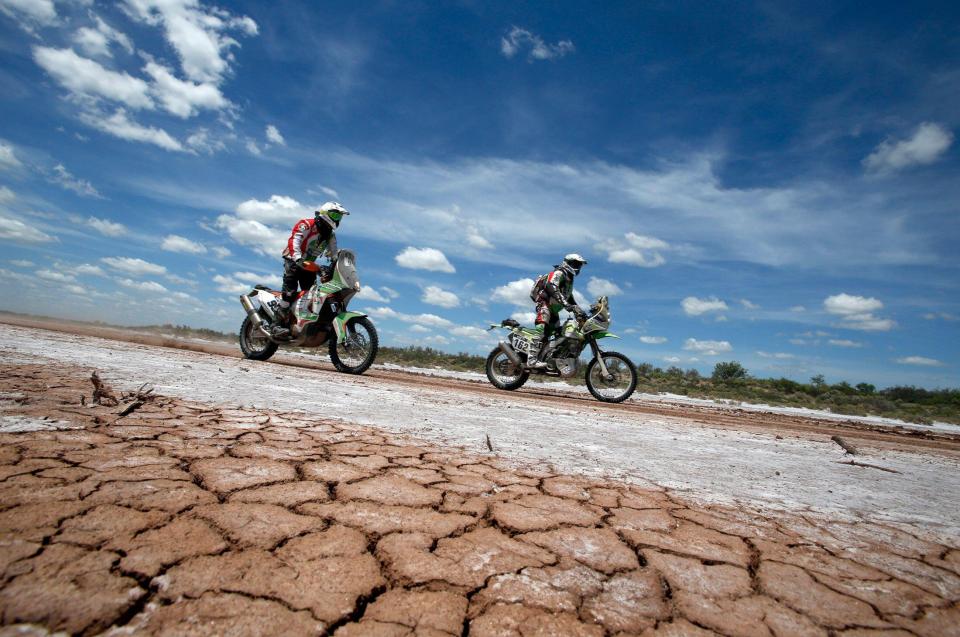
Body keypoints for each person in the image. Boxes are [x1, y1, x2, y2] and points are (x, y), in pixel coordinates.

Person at [271, 201, 349, 338]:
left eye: (339, 217)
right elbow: (294, 240)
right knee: (289, 292)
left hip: (309, 265)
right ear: (325, 212)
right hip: (293, 260)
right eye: (335, 215)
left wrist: (337, 264)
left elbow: (333, 253)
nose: (337, 219)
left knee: (313, 295)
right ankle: (275, 325)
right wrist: (297, 258)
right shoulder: (306, 224)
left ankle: (307, 323)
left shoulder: (330, 235)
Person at [528, 253, 588, 369]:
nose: (578, 267)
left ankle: (545, 358)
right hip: (545, 304)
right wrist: (566, 304)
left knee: (556, 335)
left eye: (579, 265)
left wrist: (579, 311)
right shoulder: (559, 272)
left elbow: (569, 297)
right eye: (576, 264)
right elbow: (551, 287)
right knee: (541, 330)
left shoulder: (569, 279)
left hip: (554, 310)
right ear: (568, 263)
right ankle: (531, 360)